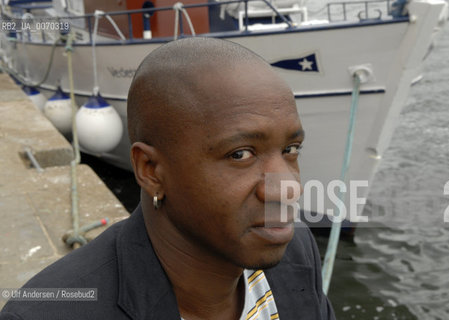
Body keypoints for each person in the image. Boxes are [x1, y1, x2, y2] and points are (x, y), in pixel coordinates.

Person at [0, 37, 335, 320]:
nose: (288, 188)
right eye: (240, 154)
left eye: (291, 149)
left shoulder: (297, 250)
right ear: (150, 170)